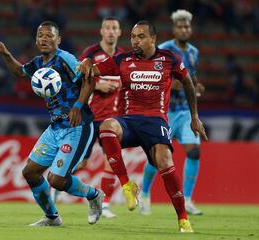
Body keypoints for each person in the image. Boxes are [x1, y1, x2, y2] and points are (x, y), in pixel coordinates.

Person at [77, 20, 208, 233]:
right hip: (129, 120)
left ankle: (183, 218)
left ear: (153, 39)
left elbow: (188, 83)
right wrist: (84, 65)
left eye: (140, 36)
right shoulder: (122, 59)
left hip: (156, 121)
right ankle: (127, 185)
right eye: (133, 37)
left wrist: (194, 117)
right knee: (107, 127)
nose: (135, 41)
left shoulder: (170, 59)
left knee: (165, 161)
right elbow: (92, 70)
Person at [0, 21, 104, 227]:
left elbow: (90, 78)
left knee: (56, 180)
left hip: (77, 126)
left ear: (58, 40)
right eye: (41, 35)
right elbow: (20, 72)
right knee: (30, 173)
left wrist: (78, 105)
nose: (44, 39)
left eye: (49, 36)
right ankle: (52, 217)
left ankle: (94, 195)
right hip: (55, 127)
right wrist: (5, 54)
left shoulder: (64, 58)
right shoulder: (39, 63)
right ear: (36, 39)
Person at [139, 9, 206, 216]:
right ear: (174, 28)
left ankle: (186, 199)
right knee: (156, 157)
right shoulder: (164, 50)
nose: (184, 29)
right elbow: (151, 76)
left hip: (185, 111)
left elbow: (190, 78)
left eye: (187, 26)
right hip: (165, 111)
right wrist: (170, 85)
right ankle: (145, 195)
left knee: (194, 152)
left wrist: (197, 86)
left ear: (190, 28)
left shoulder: (194, 52)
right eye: (180, 26)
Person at [78, 16, 123, 218]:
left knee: (111, 159)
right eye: (107, 27)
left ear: (120, 32)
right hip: (89, 117)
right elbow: (77, 77)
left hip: (112, 120)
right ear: (101, 31)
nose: (111, 31)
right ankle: (56, 182)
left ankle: (104, 204)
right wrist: (98, 85)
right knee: (81, 162)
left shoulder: (123, 56)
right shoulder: (91, 53)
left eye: (114, 28)